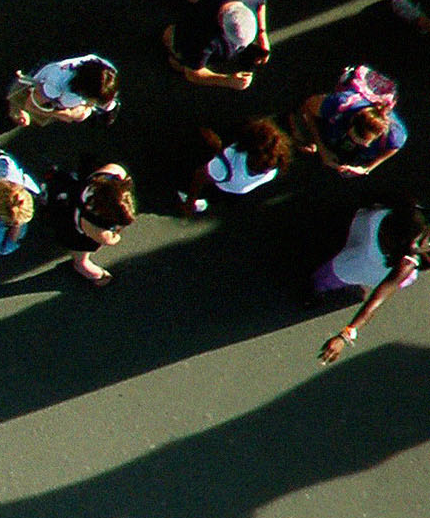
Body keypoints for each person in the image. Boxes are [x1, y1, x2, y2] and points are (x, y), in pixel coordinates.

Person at [315, 202, 430, 362]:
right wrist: (345, 335)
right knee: (328, 278)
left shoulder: (416, 214)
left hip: (370, 221)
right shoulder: (409, 261)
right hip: (366, 258)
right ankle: (315, 287)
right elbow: (377, 299)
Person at [40, 161, 135, 285]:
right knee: (81, 247)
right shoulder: (93, 224)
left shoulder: (104, 179)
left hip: (72, 193)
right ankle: (81, 265)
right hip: (72, 225)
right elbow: (109, 240)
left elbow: (116, 168)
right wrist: (116, 236)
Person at [298, 67, 406, 175]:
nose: (366, 145)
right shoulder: (340, 103)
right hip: (336, 111)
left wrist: (365, 169)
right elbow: (307, 106)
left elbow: (394, 148)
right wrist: (321, 149)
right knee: (307, 144)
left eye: (366, 142)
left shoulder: (394, 134)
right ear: (351, 122)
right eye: (356, 138)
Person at [163, 0, 270, 90]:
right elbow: (192, 73)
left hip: (214, 3)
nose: (240, 47)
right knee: (174, 55)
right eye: (235, 42)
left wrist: (262, 33)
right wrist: (227, 81)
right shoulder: (202, 37)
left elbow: (261, 1)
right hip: (193, 28)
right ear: (221, 23)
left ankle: (201, 0)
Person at [179, 117, 293, 215]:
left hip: (229, 193)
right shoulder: (224, 166)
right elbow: (201, 175)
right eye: (263, 164)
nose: (266, 169)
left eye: (270, 165)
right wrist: (189, 203)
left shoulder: (274, 166)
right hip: (217, 184)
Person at [7, 54, 119, 127]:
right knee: (23, 117)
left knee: (82, 115)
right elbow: (31, 105)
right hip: (39, 87)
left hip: (64, 95)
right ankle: (16, 105)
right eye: (93, 101)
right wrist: (60, 114)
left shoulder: (107, 70)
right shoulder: (55, 83)